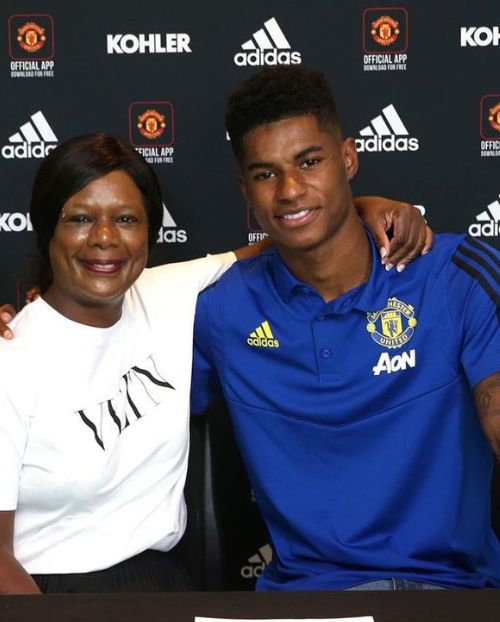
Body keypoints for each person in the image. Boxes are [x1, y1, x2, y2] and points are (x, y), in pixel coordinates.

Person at [0, 131, 429, 594]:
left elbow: (294, 238)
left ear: (149, 231)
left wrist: (366, 206)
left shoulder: (169, 291)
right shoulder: (12, 359)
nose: (104, 239)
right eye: (80, 219)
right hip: (42, 592)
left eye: (126, 219)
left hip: (160, 583)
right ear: (48, 229)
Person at [192, 65, 500, 591]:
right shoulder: (221, 310)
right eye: (266, 174)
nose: (290, 190)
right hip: (305, 605)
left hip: (451, 597)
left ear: (349, 159)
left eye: (309, 162)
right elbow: (108, 367)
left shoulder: (454, 276)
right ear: (245, 187)